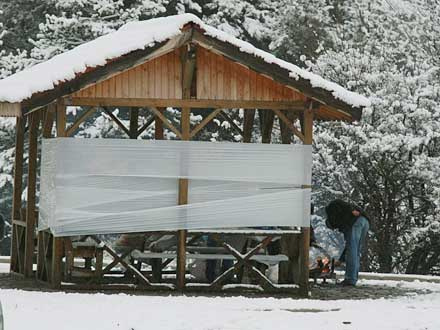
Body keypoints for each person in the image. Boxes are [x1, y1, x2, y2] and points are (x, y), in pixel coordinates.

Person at [325, 199, 369, 286]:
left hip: (355, 222)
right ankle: (353, 279)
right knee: (355, 251)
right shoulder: (343, 219)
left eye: (333, 227)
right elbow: (348, 248)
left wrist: (352, 210)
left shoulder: (330, 210)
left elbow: (338, 202)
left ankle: (350, 280)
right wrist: (341, 260)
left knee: (352, 252)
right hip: (365, 221)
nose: (336, 229)